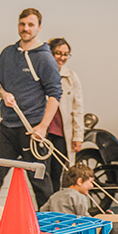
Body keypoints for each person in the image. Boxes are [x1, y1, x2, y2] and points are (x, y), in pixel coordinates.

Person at [0, 8, 62, 208]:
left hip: (32, 128)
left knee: (39, 180)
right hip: (7, 126)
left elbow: (55, 95)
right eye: (22, 24)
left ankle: (49, 227)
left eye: (30, 25)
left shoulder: (44, 58)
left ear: (39, 28)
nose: (25, 28)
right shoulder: (7, 54)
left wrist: (43, 127)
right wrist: (3, 94)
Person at [46, 37, 85, 193]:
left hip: (62, 133)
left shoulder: (71, 77)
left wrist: (78, 136)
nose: (62, 57)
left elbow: (78, 108)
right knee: (42, 173)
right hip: (44, 132)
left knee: (59, 173)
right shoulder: (40, 74)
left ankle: (56, 206)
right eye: (58, 53)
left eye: (66, 54)